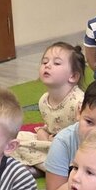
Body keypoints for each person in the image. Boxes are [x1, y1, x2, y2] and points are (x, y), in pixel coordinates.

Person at [15, 42, 85, 170]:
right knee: (15, 138)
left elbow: (87, 135)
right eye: (44, 62)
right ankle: (43, 165)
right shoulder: (43, 100)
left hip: (73, 149)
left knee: (19, 147)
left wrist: (58, 142)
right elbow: (52, 127)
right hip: (51, 143)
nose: (47, 65)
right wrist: (43, 132)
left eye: (56, 63)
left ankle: (49, 168)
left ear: (73, 76)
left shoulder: (79, 102)